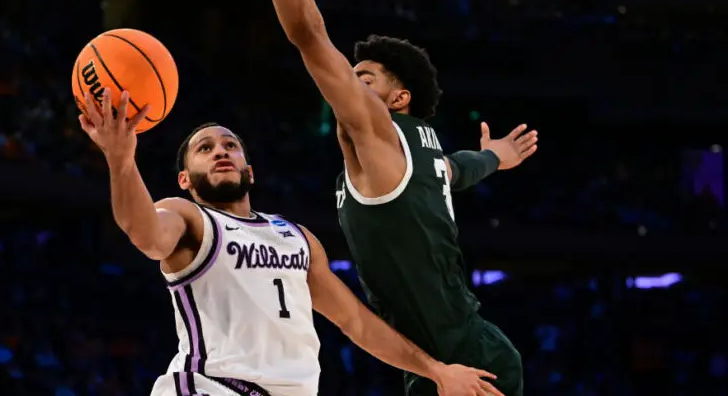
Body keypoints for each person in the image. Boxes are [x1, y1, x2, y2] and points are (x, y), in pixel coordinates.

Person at [77, 88, 503, 396]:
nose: (221, 151)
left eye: (231, 145)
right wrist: (121, 160)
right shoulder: (190, 218)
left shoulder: (296, 238)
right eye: (205, 148)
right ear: (185, 180)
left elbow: (355, 322)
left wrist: (437, 371)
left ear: (251, 171)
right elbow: (145, 233)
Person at [270, 0, 539, 395]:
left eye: (364, 78)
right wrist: (496, 156)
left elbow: (308, 34)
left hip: (464, 357)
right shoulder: (422, 156)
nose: (349, 84)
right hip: (441, 358)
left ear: (398, 100)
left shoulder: (380, 135)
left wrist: (493, 157)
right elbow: (458, 169)